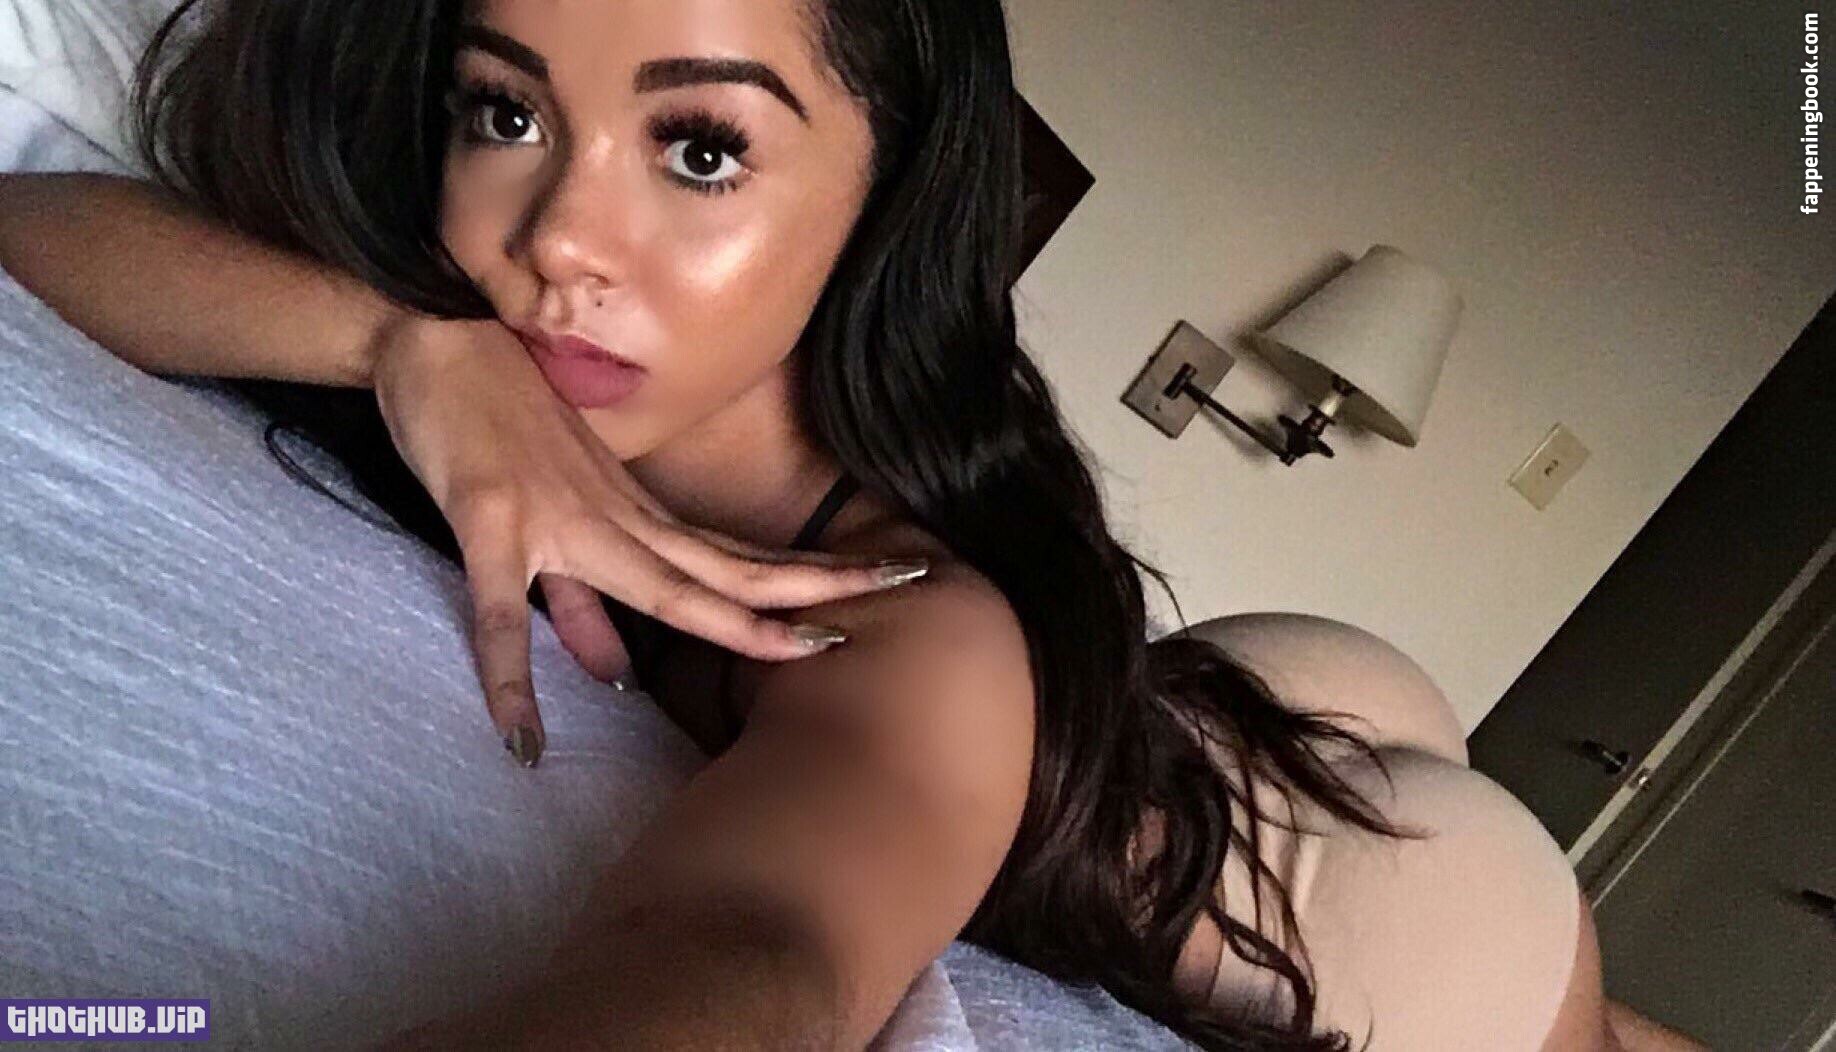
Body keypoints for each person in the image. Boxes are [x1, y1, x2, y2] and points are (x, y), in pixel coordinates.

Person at [0, 0, 1701, 1048]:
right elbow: (26, 228)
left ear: (881, 198)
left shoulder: (910, 627)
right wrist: (393, 338)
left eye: (700, 148)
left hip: (1407, 937)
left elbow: (769, 952)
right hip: (1214, 714)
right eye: (506, 112)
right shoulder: (455, 343)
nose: (561, 236)